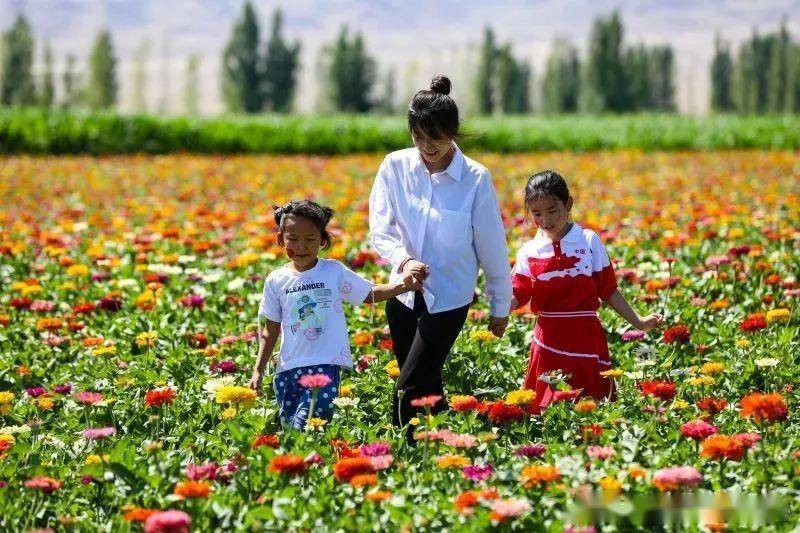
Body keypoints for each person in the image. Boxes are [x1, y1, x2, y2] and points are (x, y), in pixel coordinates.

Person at [369, 74, 511, 435]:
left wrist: (500, 305)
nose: (427, 147)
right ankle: (444, 450)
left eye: (436, 138)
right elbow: (380, 229)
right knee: (426, 386)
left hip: (448, 298)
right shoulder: (394, 167)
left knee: (408, 387)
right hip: (402, 296)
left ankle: (403, 453)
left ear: (454, 131)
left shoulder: (476, 179)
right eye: (418, 137)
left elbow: (492, 247)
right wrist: (403, 261)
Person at [249, 200, 414, 429]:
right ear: (280, 240)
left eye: (310, 239)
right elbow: (271, 329)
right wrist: (258, 370)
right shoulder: (276, 280)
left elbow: (368, 294)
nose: (302, 246)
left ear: (323, 240)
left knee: (308, 426)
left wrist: (403, 287)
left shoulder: (332, 272)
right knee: (291, 432)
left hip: (325, 363)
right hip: (288, 367)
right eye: (293, 239)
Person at [510, 170, 663, 411]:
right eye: (537, 214)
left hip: (585, 336)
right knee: (546, 410)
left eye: (552, 211)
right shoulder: (529, 251)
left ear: (568, 204)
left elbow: (608, 290)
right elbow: (519, 292)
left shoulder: (589, 242)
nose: (545, 220)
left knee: (592, 409)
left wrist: (640, 322)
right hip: (548, 339)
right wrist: (499, 309)